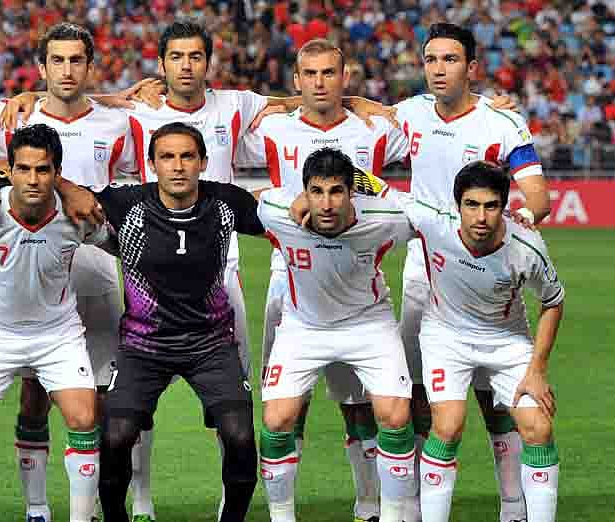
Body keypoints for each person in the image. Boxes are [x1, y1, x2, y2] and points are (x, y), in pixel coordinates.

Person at [236, 39, 408, 522]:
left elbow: (429, 125)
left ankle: (370, 503)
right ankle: (286, 508)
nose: (319, 82)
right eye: (309, 74)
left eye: (329, 73)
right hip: (288, 275)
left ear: (345, 77)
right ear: (296, 80)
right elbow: (217, 132)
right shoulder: (273, 129)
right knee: (288, 406)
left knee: (358, 404)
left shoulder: (373, 129)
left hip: (357, 270)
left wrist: (485, 102)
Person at [390, 24, 551, 522]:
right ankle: (415, 505)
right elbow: (340, 106)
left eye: (451, 60)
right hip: (426, 267)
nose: (439, 69)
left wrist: (524, 218)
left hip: (486, 261)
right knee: (424, 393)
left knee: (496, 394)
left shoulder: (500, 123)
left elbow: (538, 195)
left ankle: (512, 505)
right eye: (432, 59)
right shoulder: (408, 112)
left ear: (472, 68)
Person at [0, 23, 139, 522]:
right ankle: (37, 507)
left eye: (77, 60)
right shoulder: (15, 117)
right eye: (57, 60)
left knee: (97, 399)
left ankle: (91, 504)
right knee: (34, 394)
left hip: (96, 270)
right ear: (41, 68)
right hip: (31, 272)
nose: (67, 69)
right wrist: (69, 187)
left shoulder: (119, 124)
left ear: (90, 66)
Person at [93, 122, 265, 522]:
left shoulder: (226, 203)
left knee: (240, 436)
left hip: (210, 344)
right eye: (167, 157)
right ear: (152, 164)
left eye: (187, 156)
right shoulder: (129, 203)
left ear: (203, 162)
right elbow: (70, 194)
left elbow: (282, 215)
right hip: (143, 346)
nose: (178, 166)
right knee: (115, 437)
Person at [386, 161, 563, 522]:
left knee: (538, 427)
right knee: (447, 425)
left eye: (491, 206)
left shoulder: (526, 245)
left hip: (507, 339)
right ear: (457, 206)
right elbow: (377, 187)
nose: (480, 216)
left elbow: (553, 301)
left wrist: (537, 370)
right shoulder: (433, 221)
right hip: (445, 336)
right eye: (472, 205)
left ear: (505, 206)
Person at [0, 124, 108, 522]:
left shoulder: (79, 216)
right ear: (10, 170)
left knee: (85, 420)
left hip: (58, 335)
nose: (32, 179)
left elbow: (118, 243)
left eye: (42, 169)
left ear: (57, 172)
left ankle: (65, 515)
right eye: (22, 169)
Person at [256, 147, 417, 522]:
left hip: (368, 323)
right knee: (277, 421)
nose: (326, 203)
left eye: (336, 192)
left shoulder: (386, 217)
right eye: (316, 191)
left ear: (352, 192)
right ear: (304, 191)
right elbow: (241, 202)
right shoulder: (276, 210)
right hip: (303, 326)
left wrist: (376, 184)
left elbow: (433, 215)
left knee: (395, 415)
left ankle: (389, 515)